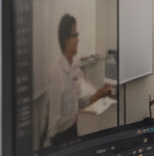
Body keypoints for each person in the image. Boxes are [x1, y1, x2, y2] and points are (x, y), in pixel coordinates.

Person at [45, 13, 112, 146]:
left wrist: (99, 94)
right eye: (75, 35)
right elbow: (54, 124)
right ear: (67, 40)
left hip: (73, 132)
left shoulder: (74, 69)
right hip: (61, 139)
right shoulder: (57, 74)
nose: (78, 39)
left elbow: (79, 104)